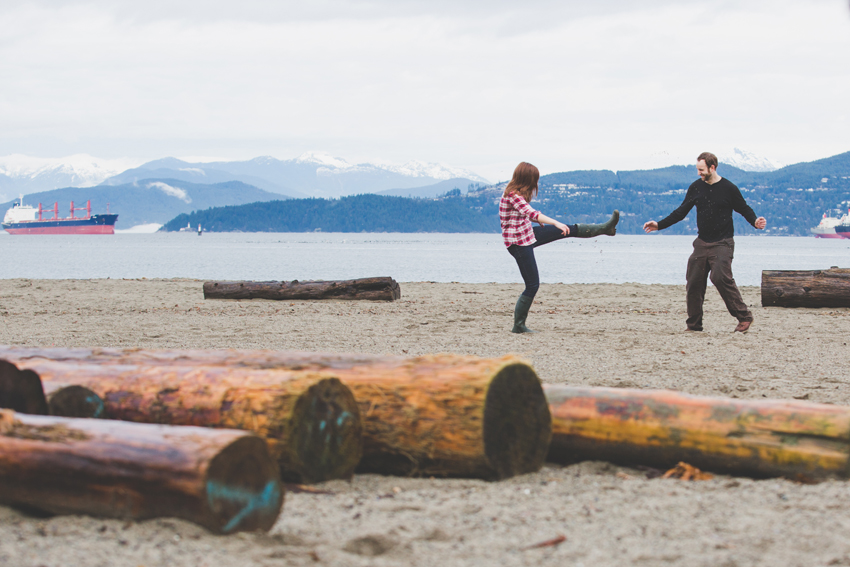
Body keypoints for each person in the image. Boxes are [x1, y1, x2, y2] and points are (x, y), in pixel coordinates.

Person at [643, 152, 767, 333]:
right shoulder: (696, 188)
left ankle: (744, 317)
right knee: (694, 281)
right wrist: (659, 225)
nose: (699, 173)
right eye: (697, 170)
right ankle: (694, 325)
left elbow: (744, 208)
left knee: (719, 277)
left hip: (723, 243)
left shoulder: (729, 188)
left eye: (701, 170)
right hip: (701, 243)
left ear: (712, 167)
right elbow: (681, 212)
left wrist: (755, 222)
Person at [501, 162, 619, 333]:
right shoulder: (513, 196)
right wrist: (555, 222)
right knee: (532, 285)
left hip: (528, 235)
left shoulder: (516, 195)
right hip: (518, 244)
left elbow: (523, 217)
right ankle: (518, 325)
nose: (536, 184)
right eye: (535, 180)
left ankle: (605, 228)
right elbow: (531, 213)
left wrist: (548, 224)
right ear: (527, 180)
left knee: (567, 229)